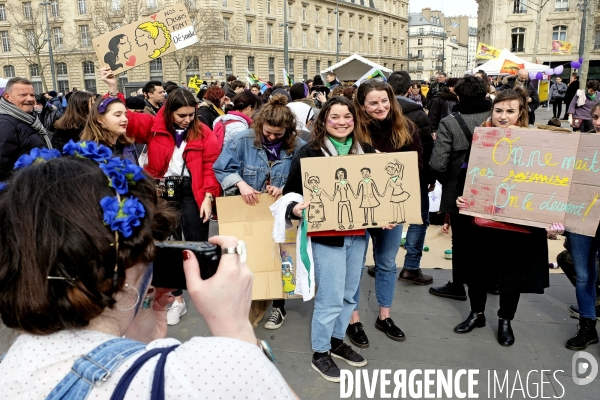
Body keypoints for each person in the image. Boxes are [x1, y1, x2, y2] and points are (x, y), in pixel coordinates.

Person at [0, 149, 297, 399]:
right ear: (127, 261)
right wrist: (236, 331)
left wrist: (138, 337)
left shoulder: (9, 371)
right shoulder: (193, 373)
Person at [100, 67, 221, 325]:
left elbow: (210, 166)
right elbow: (126, 119)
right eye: (182, 115)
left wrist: (209, 196)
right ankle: (175, 298)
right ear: (169, 111)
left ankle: (202, 289)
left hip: (192, 191)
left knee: (198, 240)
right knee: (167, 243)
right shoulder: (154, 126)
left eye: (192, 114)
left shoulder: (204, 133)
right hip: (161, 189)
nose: (188, 120)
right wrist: (113, 89)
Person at [454, 89, 564, 346]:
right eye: (498, 110)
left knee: (511, 277)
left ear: (520, 113)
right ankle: (477, 314)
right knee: (477, 272)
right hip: (482, 221)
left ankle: (505, 320)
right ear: (491, 111)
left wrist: (551, 215)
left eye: (510, 111)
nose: (503, 116)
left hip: (518, 225)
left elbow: (547, 183)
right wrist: (463, 197)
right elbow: (470, 175)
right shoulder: (482, 138)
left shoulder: (536, 142)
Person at [281, 96, 380, 382]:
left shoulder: (368, 152)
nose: (341, 122)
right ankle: (320, 351)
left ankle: (337, 340)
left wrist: (384, 213)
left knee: (349, 294)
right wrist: (294, 208)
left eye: (347, 116)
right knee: (331, 297)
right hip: (326, 238)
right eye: (334, 117)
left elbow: (377, 194)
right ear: (324, 121)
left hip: (358, 236)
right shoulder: (309, 153)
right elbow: (291, 194)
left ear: (355, 119)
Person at [213, 94, 304, 330]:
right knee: (250, 257)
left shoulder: (298, 146)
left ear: (288, 130)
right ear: (260, 125)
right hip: (250, 211)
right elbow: (221, 168)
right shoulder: (243, 139)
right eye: (268, 132)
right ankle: (249, 303)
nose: (272, 137)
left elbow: (305, 178)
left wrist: (284, 189)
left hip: (281, 212)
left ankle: (278, 306)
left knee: (284, 257)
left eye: (278, 134)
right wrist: (240, 184)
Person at [346, 79, 423, 349]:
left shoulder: (406, 129)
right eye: (373, 103)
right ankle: (353, 319)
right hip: (359, 210)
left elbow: (417, 170)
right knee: (354, 265)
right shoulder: (353, 131)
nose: (380, 107)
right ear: (362, 106)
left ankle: (384, 316)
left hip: (392, 213)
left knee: (387, 263)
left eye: (384, 101)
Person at [428, 76, 493, 301]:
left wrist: (444, 179)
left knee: (461, 240)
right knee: (491, 236)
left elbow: (437, 163)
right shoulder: (497, 117)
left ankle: (458, 285)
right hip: (495, 187)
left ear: (458, 96)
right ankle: (492, 282)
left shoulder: (450, 122)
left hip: (458, 187)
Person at [385, 71, 434, 285]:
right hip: (415, 174)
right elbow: (427, 148)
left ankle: (382, 262)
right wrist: (430, 177)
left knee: (384, 216)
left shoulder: (375, 111)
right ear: (409, 89)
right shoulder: (417, 113)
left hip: (383, 174)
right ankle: (411, 267)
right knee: (418, 219)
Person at [562, 101, 600, 351]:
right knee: (584, 275)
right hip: (581, 217)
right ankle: (588, 325)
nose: (598, 122)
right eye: (596, 116)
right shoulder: (580, 145)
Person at [0, 77, 52, 181]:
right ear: (7, 96)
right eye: (23, 95)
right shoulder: (6, 124)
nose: (30, 99)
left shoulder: (27, 118)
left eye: (32, 95)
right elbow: (3, 167)